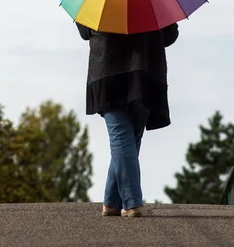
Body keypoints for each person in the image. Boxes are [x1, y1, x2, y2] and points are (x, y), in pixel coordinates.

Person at [76, 22, 179, 217]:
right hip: (145, 73)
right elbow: (169, 36)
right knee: (129, 139)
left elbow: (84, 33)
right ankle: (127, 202)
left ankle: (116, 202)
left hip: (108, 72)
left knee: (122, 137)